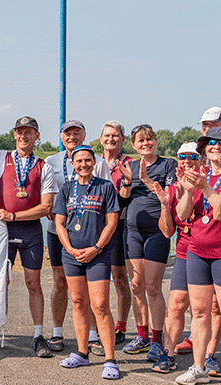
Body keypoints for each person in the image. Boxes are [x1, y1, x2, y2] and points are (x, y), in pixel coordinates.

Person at [0, 116, 57, 356]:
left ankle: (38, 336)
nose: (23, 136)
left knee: (33, 283)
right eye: (19, 132)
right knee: (0, 284)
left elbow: (46, 207)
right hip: (2, 231)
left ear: (36, 136)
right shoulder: (0, 158)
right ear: (14, 135)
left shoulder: (44, 167)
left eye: (28, 132)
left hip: (30, 232)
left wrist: (14, 216)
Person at [53, 145, 120, 379]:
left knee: (100, 305)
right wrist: (69, 248)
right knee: (78, 301)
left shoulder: (105, 187)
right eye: (79, 161)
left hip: (98, 254)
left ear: (94, 162)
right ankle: (81, 353)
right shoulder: (66, 189)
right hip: (72, 255)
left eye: (87, 160)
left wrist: (97, 248)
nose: (83, 164)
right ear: (72, 164)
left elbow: (112, 222)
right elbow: (60, 223)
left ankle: (110, 359)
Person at [45, 121, 111, 356]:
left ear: (84, 135)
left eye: (76, 133)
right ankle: (57, 331)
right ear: (61, 137)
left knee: (91, 291)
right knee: (61, 281)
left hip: (90, 232)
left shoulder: (98, 162)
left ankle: (93, 336)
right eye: (67, 133)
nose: (71, 137)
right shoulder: (51, 161)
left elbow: (106, 196)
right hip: (58, 231)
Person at [174, 127, 221, 385]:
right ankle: (199, 368)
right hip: (197, 250)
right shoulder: (198, 174)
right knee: (199, 312)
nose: (216, 147)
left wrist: (205, 186)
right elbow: (183, 215)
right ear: (204, 149)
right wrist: (186, 191)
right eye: (211, 143)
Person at [119, 125, 176, 361]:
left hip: (156, 231)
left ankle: (157, 338)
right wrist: (128, 182)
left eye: (149, 139)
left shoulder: (167, 164)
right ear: (133, 145)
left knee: (153, 287)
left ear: (155, 141)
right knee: (136, 286)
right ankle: (141, 335)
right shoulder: (129, 165)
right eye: (140, 141)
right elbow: (123, 201)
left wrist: (145, 178)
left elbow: (169, 195)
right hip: (132, 232)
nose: (146, 144)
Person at [151, 142, 200, 373]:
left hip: (210, 252)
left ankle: (208, 356)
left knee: (211, 309)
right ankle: (168, 353)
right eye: (183, 158)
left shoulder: (208, 185)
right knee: (176, 304)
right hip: (183, 250)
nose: (188, 162)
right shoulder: (171, 190)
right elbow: (167, 232)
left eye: (193, 158)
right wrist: (163, 205)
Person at [99, 121, 133, 347]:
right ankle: (98, 327)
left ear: (122, 139)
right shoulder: (92, 161)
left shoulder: (129, 164)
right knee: (97, 280)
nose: (111, 139)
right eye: (107, 135)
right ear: (101, 138)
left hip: (120, 224)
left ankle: (121, 325)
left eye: (115, 136)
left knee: (120, 278)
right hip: (95, 226)